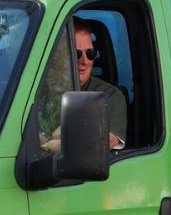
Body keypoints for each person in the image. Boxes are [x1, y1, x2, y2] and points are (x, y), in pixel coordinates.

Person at [41, 18, 128, 153]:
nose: (85, 61)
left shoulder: (109, 96)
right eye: (76, 53)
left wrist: (46, 145)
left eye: (90, 53)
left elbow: (100, 143)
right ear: (56, 55)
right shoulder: (37, 91)